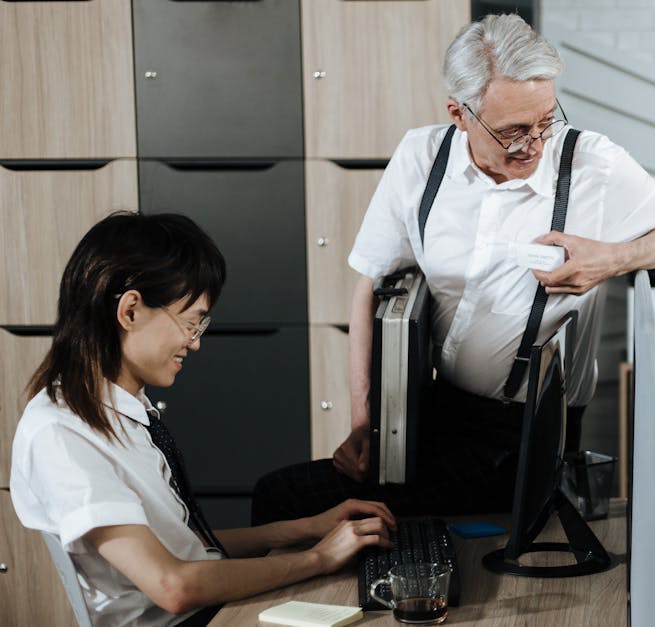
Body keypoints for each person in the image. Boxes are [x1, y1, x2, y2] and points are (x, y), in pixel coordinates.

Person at [251, 14, 655, 522]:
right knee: (286, 499)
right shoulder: (420, 158)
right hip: (435, 411)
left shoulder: (592, 164)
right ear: (459, 113)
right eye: (514, 130)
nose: (534, 144)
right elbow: (370, 284)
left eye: (545, 121)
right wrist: (364, 424)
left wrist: (611, 260)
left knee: (295, 503)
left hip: (526, 438)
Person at [9, 212, 395, 626]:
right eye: (191, 322)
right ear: (131, 311)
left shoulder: (117, 408)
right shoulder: (62, 433)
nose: (194, 344)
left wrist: (305, 529)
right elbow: (174, 585)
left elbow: (180, 546)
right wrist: (319, 557)